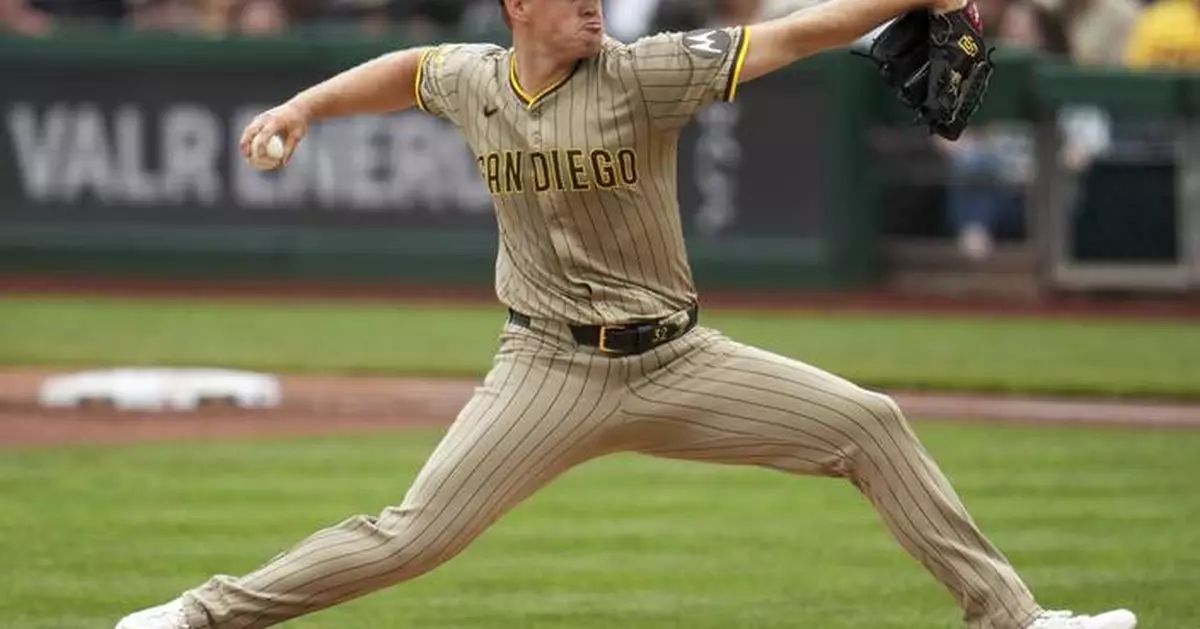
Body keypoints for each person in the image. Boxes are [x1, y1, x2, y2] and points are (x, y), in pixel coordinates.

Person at [114, 1, 1139, 628]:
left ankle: (1012, 617)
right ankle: (206, 612)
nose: (596, 5)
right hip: (546, 372)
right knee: (412, 534)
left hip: (680, 360)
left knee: (869, 421)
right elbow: (403, 71)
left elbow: (794, 33)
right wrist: (301, 108)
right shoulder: (474, 81)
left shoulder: (648, 73)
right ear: (519, 6)